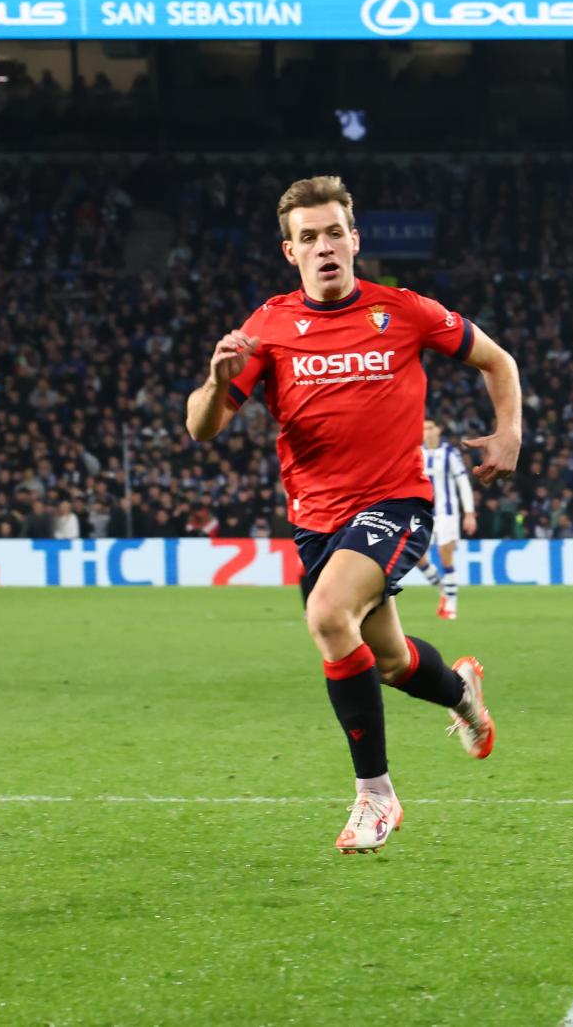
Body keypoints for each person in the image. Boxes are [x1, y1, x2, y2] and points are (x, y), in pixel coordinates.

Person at [185, 175, 521, 853]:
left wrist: (508, 431)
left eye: (335, 232)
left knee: (327, 615)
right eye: (309, 237)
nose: (325, 246)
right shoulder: (268, 328)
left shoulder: (404, 310)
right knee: (391, 662)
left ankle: (375, 796)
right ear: (291, 252)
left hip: (396, 503)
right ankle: (462, 695)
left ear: (355, 238)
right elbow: (202, 428)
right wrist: (220, 379)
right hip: (318, 524)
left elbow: (497, 360)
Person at [415, 417, 476, 620]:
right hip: (423, 513)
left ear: (438, 430)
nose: (427, 432)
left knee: (445, 554)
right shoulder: (417, 454)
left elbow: (463, 483)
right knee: (417, 556)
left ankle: (451, 606)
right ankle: (443, 590)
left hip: (447, 513)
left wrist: (469, 513)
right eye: (424, 428)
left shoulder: (450, 453)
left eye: (431, 427)